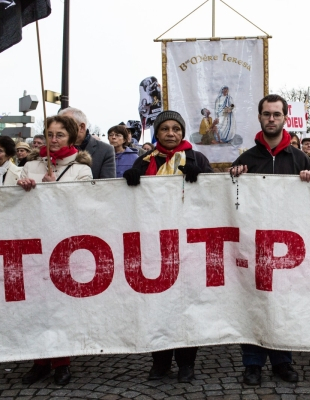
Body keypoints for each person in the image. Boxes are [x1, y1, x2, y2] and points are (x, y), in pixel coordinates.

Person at [230, 94, 310, 386]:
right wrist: (234, 178)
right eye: (266, 114)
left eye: (276, 114)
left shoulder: (301, 159)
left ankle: (282, 361)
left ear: (284, 117)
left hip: (289, 247)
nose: (271, 119)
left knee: (283, 304)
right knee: (253, 302)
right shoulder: (246, 159)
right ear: (259, 117)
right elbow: (233, 201)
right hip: (254, 245)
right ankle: (252, 363)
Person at [123, 111, 213, 382]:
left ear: (182, 133)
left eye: (176, 128)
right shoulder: (145, 160)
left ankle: (187, 363)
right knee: (157, 305)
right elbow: (129, 204)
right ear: (157, 133)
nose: (171, 133)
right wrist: (128, 182)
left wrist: (204, 181)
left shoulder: (198, 159)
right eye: (165, 129)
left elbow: (213, 199)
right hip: (153, 243)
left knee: (185, 305)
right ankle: (160, 361)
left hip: (187, 244)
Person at [16, 115, 92, 385]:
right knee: (37, 307)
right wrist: (23, 189)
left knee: (61, 308)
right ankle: (39, 362)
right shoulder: (31, 165)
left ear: (71, 138)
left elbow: (83, 205)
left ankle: (62, 363)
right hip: (35, 245)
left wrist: (54, 189)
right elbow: (14, 205)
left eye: (60, 134)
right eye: (50, 134)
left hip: (65, 246)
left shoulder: (81, 168)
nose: (54, 139)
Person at [58, 107, 116, 179]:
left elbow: (107, 185)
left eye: (66, 125)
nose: (60, 129)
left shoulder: (105, 150)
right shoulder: (54, 147)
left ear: (82, 127)